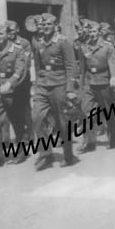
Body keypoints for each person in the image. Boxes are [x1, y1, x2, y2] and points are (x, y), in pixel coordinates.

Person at [32, 14, 78, 171]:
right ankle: (45, 155)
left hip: (59, 84)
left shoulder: (63, 42)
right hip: (43, 86)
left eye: (49, 24)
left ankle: (68, 155)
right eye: (43, 24)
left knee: (62, 123)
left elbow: (71, 66)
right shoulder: (38, 43)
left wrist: (70, 89)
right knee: (36, 117)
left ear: (55, 25)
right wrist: (37, 84)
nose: (45, 27)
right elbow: (38, 66)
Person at [0, 24, 25, 170]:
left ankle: (21, 152)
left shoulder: (17, 50)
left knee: (16, 122)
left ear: (9, 35)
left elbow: (20, 70)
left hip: (13, 91)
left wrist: (10, 83)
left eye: (1, 33)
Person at [79, 21, 115, 151]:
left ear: (99, 32)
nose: (92, 34)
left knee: (107, 111)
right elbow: (82, 66)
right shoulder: (84, 46)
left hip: (104, 81)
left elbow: (114, 62)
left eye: (94, 32)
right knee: (86, 111)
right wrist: (81, 83)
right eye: (90, 32)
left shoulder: (107, 46)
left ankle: (112, 138)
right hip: (89, 82)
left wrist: (113, 76)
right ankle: (89, 142)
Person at [6, 20, 33, 142]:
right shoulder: (5, 44)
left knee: (25, 109)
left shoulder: (24, 43)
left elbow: (25, 64)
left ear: (17, 30)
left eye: (12, 30)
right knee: (13, 110)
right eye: (8, 30)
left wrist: (18, 81)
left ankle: (31, 135)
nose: (10, 32)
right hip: (10, 82)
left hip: (22, 81)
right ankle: (20, 134)